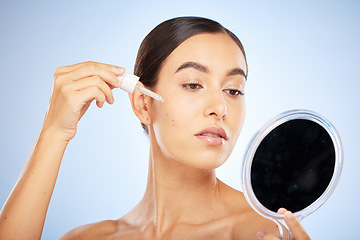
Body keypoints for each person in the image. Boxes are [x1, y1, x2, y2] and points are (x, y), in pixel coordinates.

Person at [0, 16, 311, 240]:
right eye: (193, 84)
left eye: (233, 90)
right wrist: (54, 132)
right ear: (143, 105)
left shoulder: (261, 232)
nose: (220, 107)